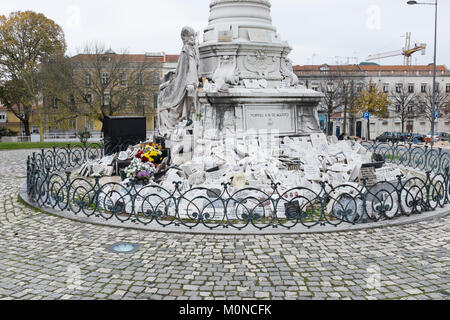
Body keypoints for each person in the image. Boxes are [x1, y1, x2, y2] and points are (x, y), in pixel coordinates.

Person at [158, 26, 200, 138]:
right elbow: (183, 69)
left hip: (184, 84)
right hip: (184, 82)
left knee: (163, 102)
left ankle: (172, 126)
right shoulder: (192, 49)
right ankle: (177, 123)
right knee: (167, 98)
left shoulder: (187, 49)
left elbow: (191, 67)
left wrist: (190, 82)